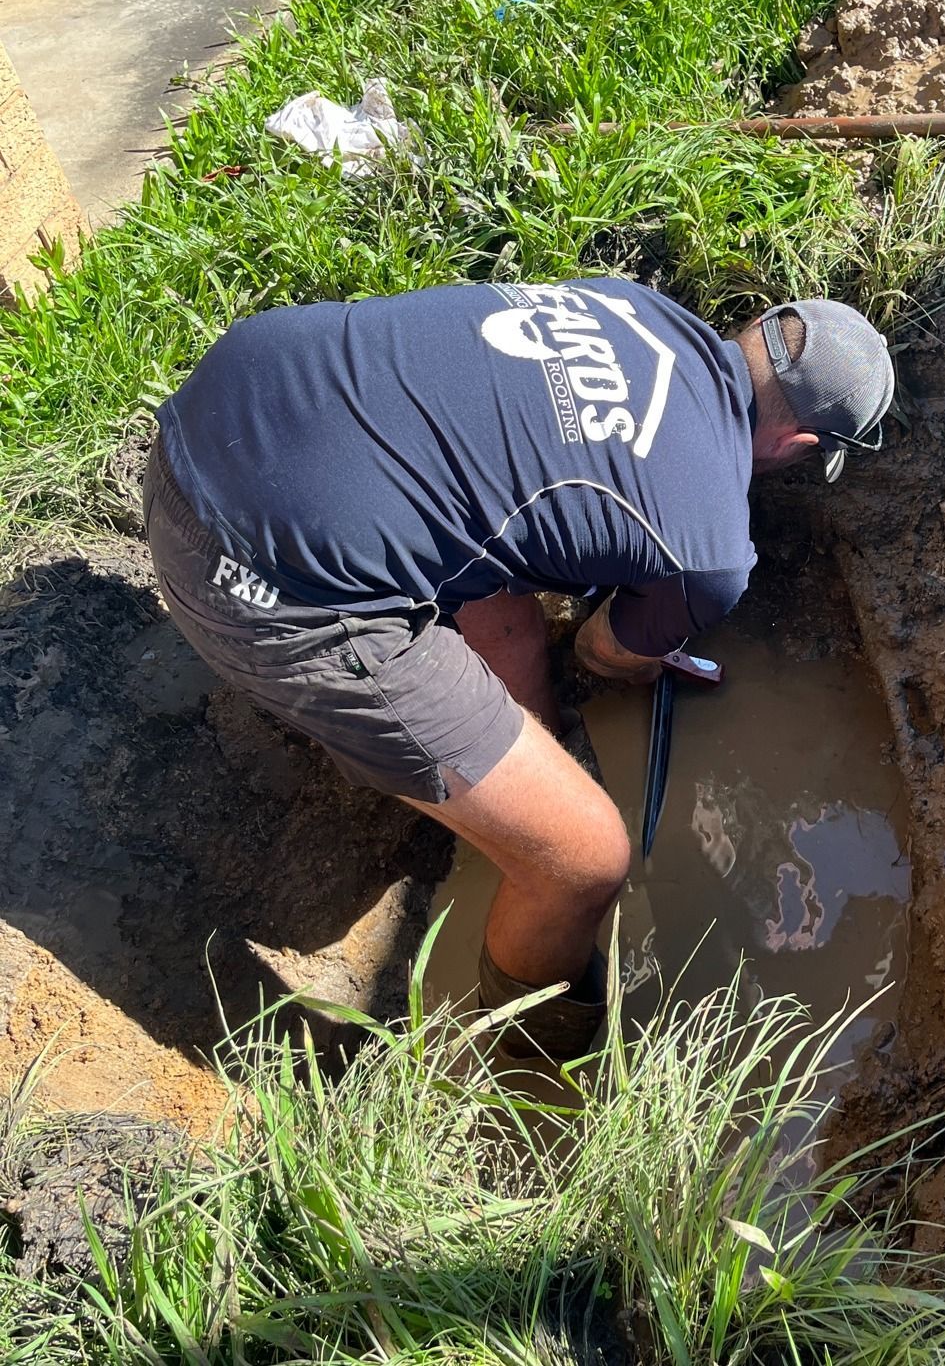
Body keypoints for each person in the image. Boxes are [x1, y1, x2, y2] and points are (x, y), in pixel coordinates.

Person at [143, 278, 893, 1057]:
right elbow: (603, 651)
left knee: (500, 583)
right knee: (588, 859)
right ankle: (536, 1050)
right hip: (252, 576)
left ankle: (514, 794)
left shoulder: (629, 304)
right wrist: (639, 651)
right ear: (799, 447)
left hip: (219, 410)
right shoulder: (710, 549)